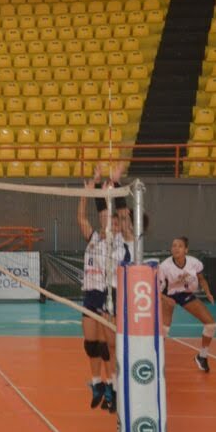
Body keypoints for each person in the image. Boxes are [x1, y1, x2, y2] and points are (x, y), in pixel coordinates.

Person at [77, 166, 135, 413]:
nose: (111, 223)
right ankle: (99, 384)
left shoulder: (126, 239)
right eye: (107, 220)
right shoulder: (95, 238)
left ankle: (114, 386)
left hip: (113, 294)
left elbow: (120, 215)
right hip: (93, 295)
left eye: (115, 221)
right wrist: (90, 192)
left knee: (109, 345)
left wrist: (115, 183)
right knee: (92, 344)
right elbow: (86, 217)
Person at [160, 237, 216, 372]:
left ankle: (202, 356)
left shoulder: (194, 263)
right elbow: (154, 290)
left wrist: (208, 293)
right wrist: (165, 299)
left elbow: (201, 279)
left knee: (211, 325)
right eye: (174, 246)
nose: (176, 248)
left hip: (185, 294)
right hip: (167, 294)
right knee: (164, 330)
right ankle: (156, 358)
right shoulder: (164, 266)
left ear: (186, 250)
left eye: (180, 246)